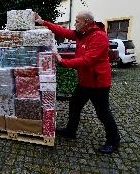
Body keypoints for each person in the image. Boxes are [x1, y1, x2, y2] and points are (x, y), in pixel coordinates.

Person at [35, 11, 120, 154]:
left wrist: (62, 61)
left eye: (77, 21)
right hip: (85, 82)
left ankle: (113, 140)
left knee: (102, 112)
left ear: (86, 22)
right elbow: (64, 31)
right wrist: (43, 22)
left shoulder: (99, 37)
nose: (75, 24)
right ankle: (70, 130)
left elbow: (88, 60)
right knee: (74, 105)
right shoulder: (82, 34)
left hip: (98, 83)